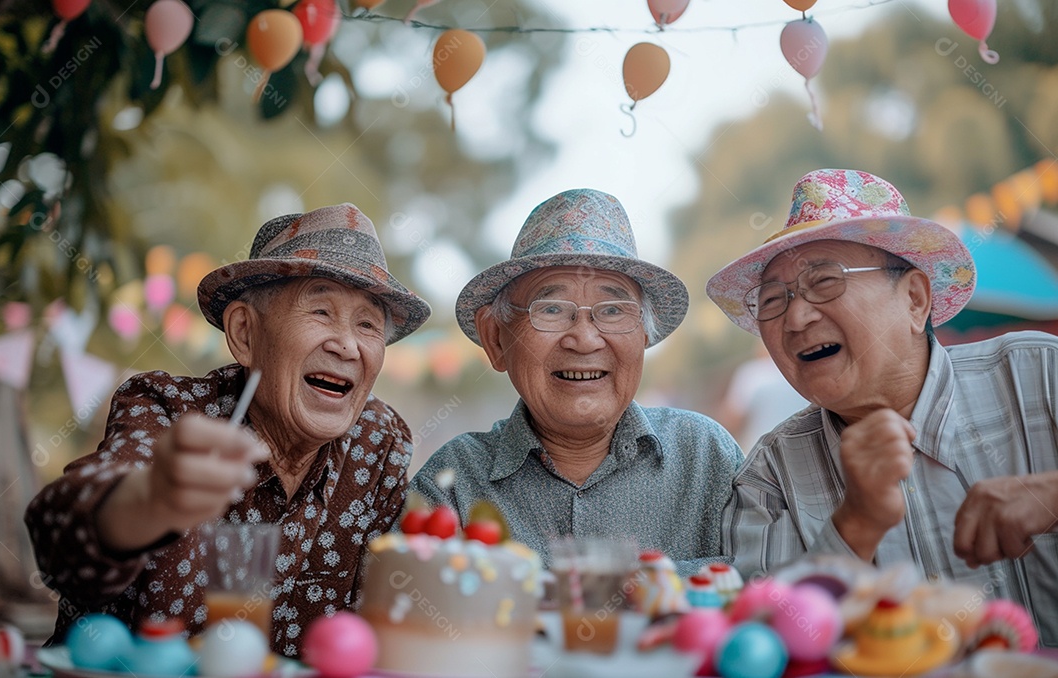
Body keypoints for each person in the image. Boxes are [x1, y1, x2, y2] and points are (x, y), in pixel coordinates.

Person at [25, 204, 431, 657]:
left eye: (368, 324)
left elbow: (380, 626)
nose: (348, 346)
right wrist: (152, 499)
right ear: (244, 333)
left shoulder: (378, 443)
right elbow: (58, 545)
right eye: (321, 311)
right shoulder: (168, 409)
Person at [706, 168, 1058, 645]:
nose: (796, 316)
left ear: (915, 299)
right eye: (772, 300)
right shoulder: (771, 474)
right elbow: (759, 644)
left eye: (825, 281)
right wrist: (856, 523)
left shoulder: (1037, 375)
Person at [411, 188, 743, 575]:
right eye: (551, 309)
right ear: (497, 339)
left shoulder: (707, 459)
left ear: (644, 337)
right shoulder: (451, 484)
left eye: (613, 310)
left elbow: (769, 589)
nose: (584, 339)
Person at [715, 342, 810, 454]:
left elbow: (731, 419)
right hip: (801, 450)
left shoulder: (753, 374)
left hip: (760, 454)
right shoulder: (804, 372)